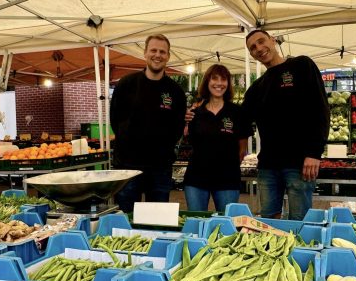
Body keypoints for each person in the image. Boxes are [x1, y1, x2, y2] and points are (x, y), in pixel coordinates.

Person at [243, 29, 330, 220]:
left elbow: (320, 109)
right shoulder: (257, 88)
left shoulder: (302, 65)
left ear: (273, 41)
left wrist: (314, 153)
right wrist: (201, 109)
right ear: (252, 55)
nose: (259, 48)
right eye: (253, 48)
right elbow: (240, 121)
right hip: (268, 166)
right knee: (268, 220)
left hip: (299, 163)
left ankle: (299, 250)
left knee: (300, 220)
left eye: (261, 41)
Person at [110, 34, 187, 213]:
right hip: (127, 168)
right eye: (153, 50)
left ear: (168, 56)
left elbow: (177, 127)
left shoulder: (175, 91)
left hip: (160, 168)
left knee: (157, 220)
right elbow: (115, 119)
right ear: (145, 53)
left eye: (162, 52)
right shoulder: (126, 84)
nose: (157, 55)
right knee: (126, 219)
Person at [183, 64, 252, 212]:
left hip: (227, 179)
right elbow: (188, 140)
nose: (219, 83)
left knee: (226, 223)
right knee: (196, 222)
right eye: (214, 79)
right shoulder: (195, 113)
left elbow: (242, 150)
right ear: (207, 82)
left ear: (228, 83)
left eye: (223, 79)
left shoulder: (237, 113)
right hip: (196, 179)